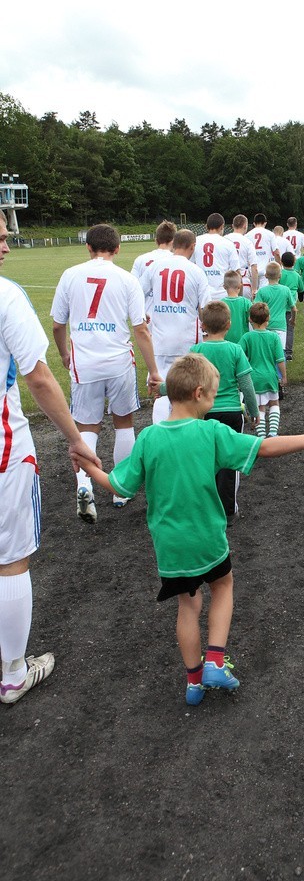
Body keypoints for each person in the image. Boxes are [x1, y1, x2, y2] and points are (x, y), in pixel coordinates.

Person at [79, 352, 304, 706]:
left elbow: (119, 486)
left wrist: (90, 466)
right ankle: (215, 662)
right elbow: (265, 446)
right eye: (214, 394)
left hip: (170, 546)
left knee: (188, 606)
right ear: (197, 394)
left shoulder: (147, 438)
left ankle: (194, 683)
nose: (217, 400)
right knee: (223, 586)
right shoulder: (212, 433)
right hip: (207, 537)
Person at [0, 212, 100, 705]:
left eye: (6, 237)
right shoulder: (5, 295)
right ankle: (14, 671)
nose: (6, 247)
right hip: (3, 451)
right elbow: (38, 376)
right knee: (11, 558)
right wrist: (76, 437)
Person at [51, 224, 161, 523]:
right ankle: (120, 490)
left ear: (88, 247)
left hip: (84, 362)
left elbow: (58, 325)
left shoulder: (70, 274)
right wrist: (153, 370)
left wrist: (64, 354)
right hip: (118, 362)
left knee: (86, 426)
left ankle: (85, 485)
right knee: (124, 422)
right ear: (117, 249)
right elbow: (140, 328)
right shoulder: (127, 279)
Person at [189, 302, 259, 522]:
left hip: (203, 413)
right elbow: (246, 385)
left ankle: (206, 508)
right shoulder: (235, 349)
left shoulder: (197, 351)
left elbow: (184, 382)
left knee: (205, 461)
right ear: (229, 324)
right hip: (230, 413)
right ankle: (228, 510)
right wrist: (254, 410)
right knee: (229, 463)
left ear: (202, 325)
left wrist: (162, 389)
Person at [139, 229, 212, 424]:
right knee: (189, 390)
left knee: (161, 390)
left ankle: (160, 434)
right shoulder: (196, 271)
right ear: (193, 246)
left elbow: (138, 292)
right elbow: (205, 307)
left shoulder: (155, 267)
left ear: (173, 244)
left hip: (160, 339)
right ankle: (186, 433)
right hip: (188, 338)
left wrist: (141, 313)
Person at [240, 303, 286, 437]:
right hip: (270, 376)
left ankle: (261, 436)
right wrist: (284, 376)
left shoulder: (247, 337)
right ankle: (273, 432)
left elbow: (239, 356)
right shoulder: (274, 337)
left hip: (254, 378)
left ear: (250, 319)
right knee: (274, 403)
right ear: (268, 318)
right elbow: (280, 360)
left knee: (259, 407)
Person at [130, 220, 177, 320]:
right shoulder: (178, 261)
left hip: (146, 317)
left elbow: (132, 289)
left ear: (156, 241)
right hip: (170, 318)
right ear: (173, 241)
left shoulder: (140, 259)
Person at [191, 213, 240, 299]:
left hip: (201, 292)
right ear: (222, 226)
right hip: (222, 293)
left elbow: (190, 265)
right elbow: (236, 272)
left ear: (206, 226)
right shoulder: (228, 243)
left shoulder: (196, 241)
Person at [255, 262, 296, 351]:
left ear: (265, 275)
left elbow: (255, 307)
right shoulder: (286, 290)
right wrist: (292, 319)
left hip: (266, 325)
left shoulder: (262, 291)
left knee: (266, 351)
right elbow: (293, 308)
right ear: (280, 275)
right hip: (280, 326)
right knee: (280, 352)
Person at [246, 214, 283, 289]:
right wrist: (279, 266)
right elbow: (276, 252)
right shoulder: (270, 234)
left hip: (252, 270)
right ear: (265, 223)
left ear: (254, 223)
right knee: (263, 297)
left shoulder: (247, 235)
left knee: (252, 296)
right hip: (265, 270)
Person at [279, 251, 304, 360]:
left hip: (279, 306)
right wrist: (301, 298)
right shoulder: (297, 275)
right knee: (290, 330)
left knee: (279, 329)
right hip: (291, 306)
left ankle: (280, 350)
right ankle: (288, 352)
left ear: (281, 262)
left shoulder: (280, 274)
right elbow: (301, 289)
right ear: (294, 262)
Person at [230, 215, 259, 297]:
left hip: (227, 281)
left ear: (233, 226)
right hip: (243, 279)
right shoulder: (247, 242)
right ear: (245, 226)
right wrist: (254, 289)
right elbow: (254, 267)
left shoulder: (224, 239)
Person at [222, 270, 252, 345]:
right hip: (242, 342)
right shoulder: (246, 303)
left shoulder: (221, 303)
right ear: (240, 286)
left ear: (224, 287)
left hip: (225, 342)